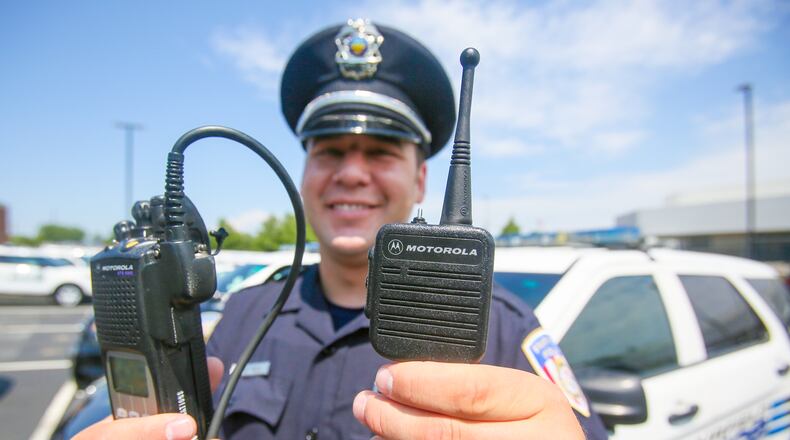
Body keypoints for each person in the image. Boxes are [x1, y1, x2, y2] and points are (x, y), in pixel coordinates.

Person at [76, 19, 607, 440]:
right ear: (305, 176)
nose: (351, 172)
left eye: (379, 152)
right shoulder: (244, 314)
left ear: (422, 181)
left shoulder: (503, 328)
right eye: (329, 151)